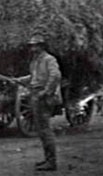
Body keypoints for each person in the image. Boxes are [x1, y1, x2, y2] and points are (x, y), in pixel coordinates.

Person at [21, 35, 62, 171]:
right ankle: (48, 159)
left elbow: (55, 76)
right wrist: (20, 79)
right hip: (36, 95)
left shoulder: (49, 59)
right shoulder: (35, 61)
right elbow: (34, 76)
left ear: (42, 46)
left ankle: (52, 162)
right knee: (41, 129)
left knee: (45, 129)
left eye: (36, 45)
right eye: (32, 46)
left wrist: (45, 92)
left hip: (43, 97)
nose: (33, 48)